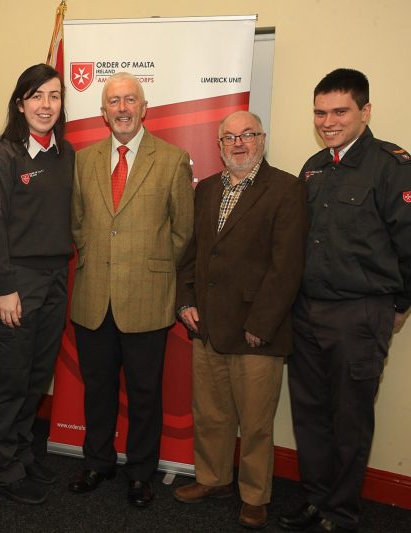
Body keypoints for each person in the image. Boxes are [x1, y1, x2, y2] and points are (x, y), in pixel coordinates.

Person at [278, 68, 411, 533]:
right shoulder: (314, 167)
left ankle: (341, 513)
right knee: (310, 416)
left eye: (340, 111)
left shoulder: (391, 166)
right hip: (308, 312)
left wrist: (397, 306)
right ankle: (316, 499)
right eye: (320, 112)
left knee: (350, 420)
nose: (328, 120)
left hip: (359, 315)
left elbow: (409, 243)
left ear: (365, 111)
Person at [173, 111, 307, 529]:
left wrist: (262, 324)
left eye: (247, 134)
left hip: (256, 332)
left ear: (262, 139)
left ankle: (254, 496)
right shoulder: (208, 189)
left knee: (254, 423)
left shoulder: (286, 189)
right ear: (218, 145)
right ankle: (212, 478)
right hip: (207, 326)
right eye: (229, 137)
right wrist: (186, 301)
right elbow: (192, 255)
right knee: (211, 414)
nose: (238, 143)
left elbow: (287, 267)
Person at [68, 72, 194, 507]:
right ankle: (97, 462)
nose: (122, 108)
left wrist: (150, 270)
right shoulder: (84, 160)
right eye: (113, 102)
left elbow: (183, 233)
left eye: (130, 100)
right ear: (103, 113)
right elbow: (78, 224)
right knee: (97, 389)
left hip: (146, 297)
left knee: (144, 393)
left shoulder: (173, 159)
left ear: (144, 108)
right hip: (93, 298)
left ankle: (141, 471)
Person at [0, 64, 74, 505]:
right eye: (36, 96)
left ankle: (21, 451)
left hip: (55, 278)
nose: (45, 105)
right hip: (15, 281)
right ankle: (1, 468)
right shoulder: (4, 156)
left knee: (36, 376)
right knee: (9, 379)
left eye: (54, 96)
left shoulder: (65, 154)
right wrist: (4, 286)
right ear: (21, 103)